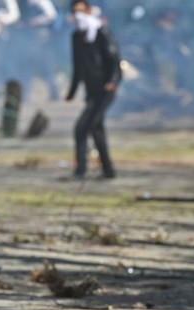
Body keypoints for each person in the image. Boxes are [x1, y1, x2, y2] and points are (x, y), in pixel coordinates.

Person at [65, 0, 121, 179]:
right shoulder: (77, 37)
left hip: (105, 91)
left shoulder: (101, 32)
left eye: (82, 11)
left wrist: (113, 81)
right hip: (91, 91)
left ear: (89, 11)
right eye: (75, 12)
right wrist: (72, 91)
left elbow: (114, 60)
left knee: (82, 128)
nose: (78, 16)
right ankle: (108, 171)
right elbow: (78, 66)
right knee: (96, 129)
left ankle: (81, 170)